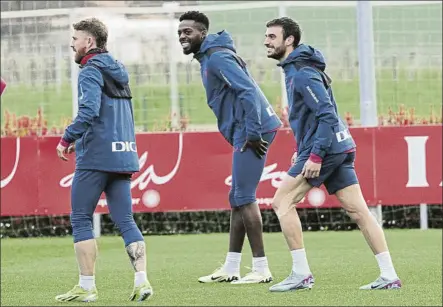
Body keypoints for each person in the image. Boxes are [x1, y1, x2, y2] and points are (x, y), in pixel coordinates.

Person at [263, 17, 402, 292]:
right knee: (359, 211)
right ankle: (389, 276)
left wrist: (314, 156)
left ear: (289, 40)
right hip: (339, 146)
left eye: (271, 36)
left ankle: (301, 274)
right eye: (266, 36)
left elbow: (326, 114)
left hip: (326, 149)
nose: (266, 41)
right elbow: (313, 116)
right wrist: (301, 151)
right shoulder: (298, 69)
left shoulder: (301, 72)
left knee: (282, 202)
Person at [178, 11, 282, 284]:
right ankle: (231, 267)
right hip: (248, 129)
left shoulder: (217, 57)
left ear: (202, 33)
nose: (182, 37)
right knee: (237, 198)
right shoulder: (209, 56)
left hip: (254, 131)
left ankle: (261, 268)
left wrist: (252, 132)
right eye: (179, 32)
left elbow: (247, 90)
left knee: (244, 197)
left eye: (187, 32)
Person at [55, 17, 153, 302]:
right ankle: (142, 281)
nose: (72, 44)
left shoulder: (89, 70)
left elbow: (89, 111)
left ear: (89, 42)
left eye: (75, 39)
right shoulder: (117, 69)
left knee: (81, 217)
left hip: (96, 157)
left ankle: (86, 287)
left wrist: (67, 138)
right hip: (123, 154)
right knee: (125, 219)